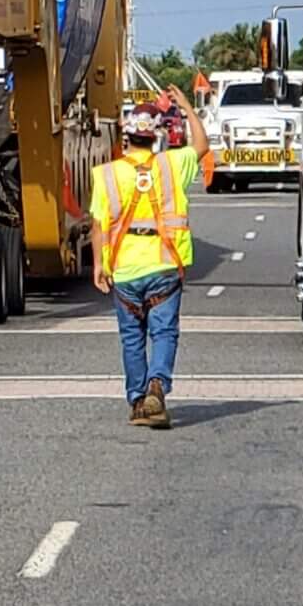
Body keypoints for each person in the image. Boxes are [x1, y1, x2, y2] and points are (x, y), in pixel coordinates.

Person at [88, 86, 214, 429]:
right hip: (164, 263)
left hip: (125, 268)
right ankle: (158, 383)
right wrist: (187, 107)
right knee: (163, 332)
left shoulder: (107, 174)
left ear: (127, 135)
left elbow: (99, 223)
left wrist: (99, 264)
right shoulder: (174, 164)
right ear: (158, 136)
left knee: (132, 337)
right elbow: (202, 145)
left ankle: (138, 401)